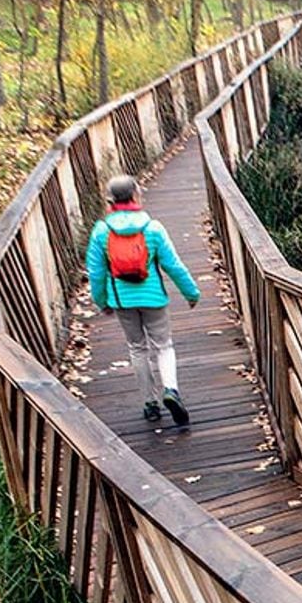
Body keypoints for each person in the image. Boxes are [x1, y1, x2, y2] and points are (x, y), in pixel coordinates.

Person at [85, 174, 201, 425]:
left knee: (137, 348)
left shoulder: (101, 232)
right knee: (164, 346)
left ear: (110, 201)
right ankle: (171, 389)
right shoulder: (153, 228)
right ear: (136, 195)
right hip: (153, 298)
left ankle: (150, 403)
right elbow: (173, 265)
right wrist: (191, 292)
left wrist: (101, 301)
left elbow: (95, 273)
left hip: (122, 301)